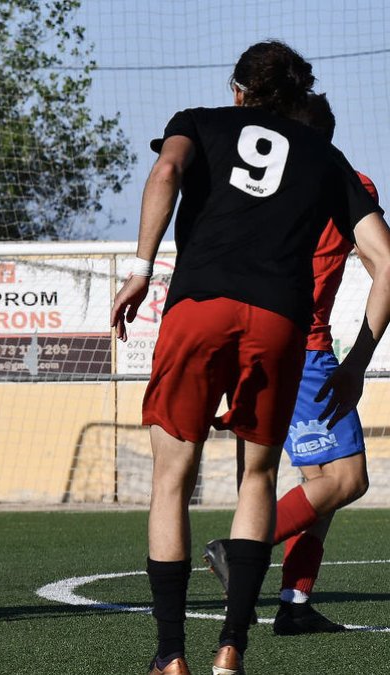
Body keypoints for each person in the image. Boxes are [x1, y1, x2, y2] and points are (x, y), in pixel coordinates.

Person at [110, 43, 390, 675]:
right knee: (260, 480)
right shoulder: (327, 157)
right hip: (281, 323)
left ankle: (170, 655)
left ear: (238, 90)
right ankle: (232, 647)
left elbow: (165, 175)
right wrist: (358, 361)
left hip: (201, 304)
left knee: (171, 481)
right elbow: (387, 260)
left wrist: (140, 269)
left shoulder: (200, 120)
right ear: (298, 99)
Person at [202, 93, 380, 637]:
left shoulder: (254, 187)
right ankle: (241, 548)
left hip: (250, 339)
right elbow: (386, 266)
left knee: (318, 478)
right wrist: (357, 361)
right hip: (305, 348)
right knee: (347, 479)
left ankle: (294, 601)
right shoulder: (350, 184)